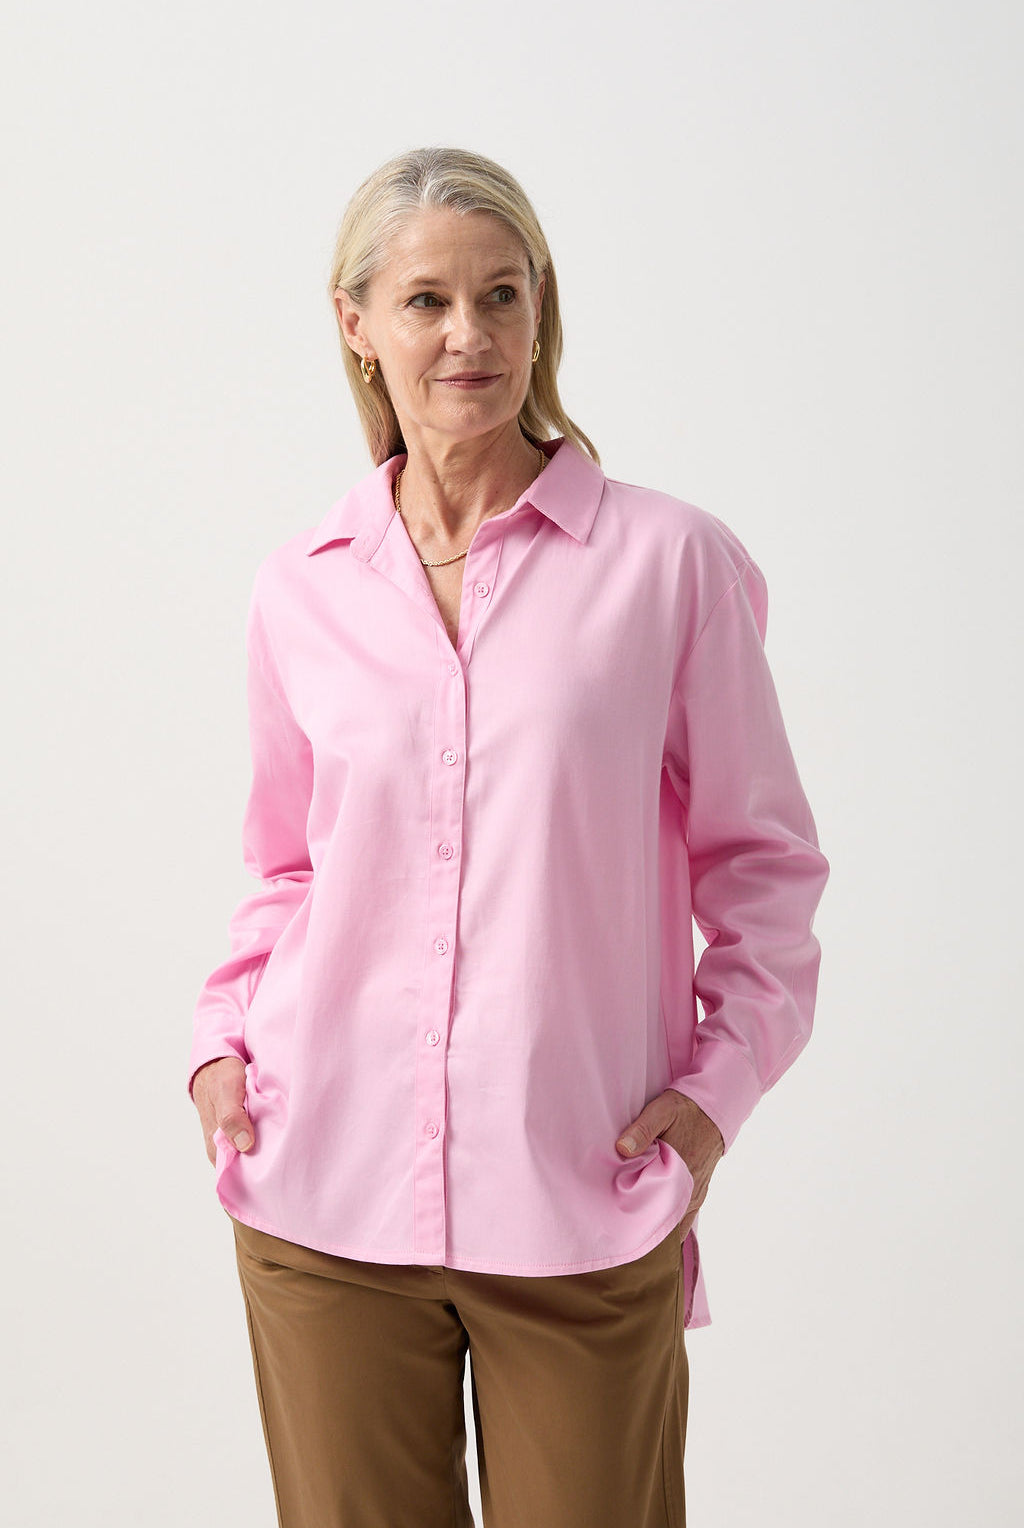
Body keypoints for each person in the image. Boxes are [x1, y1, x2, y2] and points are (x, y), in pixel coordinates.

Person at [188, 145, 829, 1528]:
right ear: (356, 324)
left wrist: (714, 1100)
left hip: (580, 1195)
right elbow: (288, 867)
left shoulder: (669, 565)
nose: (468, 335)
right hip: (321, 1194)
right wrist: (218, 1042)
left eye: (501, 295)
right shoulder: (300, 589)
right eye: (426, 301)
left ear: (542, 312)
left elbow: (766, 872)